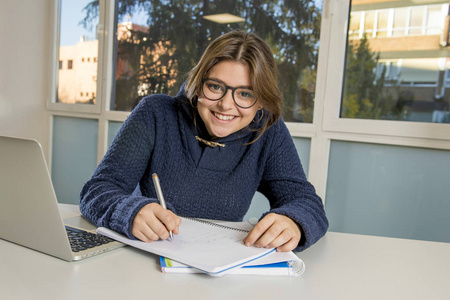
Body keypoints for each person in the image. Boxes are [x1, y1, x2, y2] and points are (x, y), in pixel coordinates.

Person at [80, 30, 328, 252]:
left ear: (261, 101)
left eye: (245, 93)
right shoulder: (155, 113)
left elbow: (307, 202)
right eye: (215, 86)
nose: (226, 104)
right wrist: (129, 211)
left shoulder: (267, 130)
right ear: (198, 84)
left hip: (218, 271)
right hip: (144, 258)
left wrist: (293, 221)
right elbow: (96, 191)